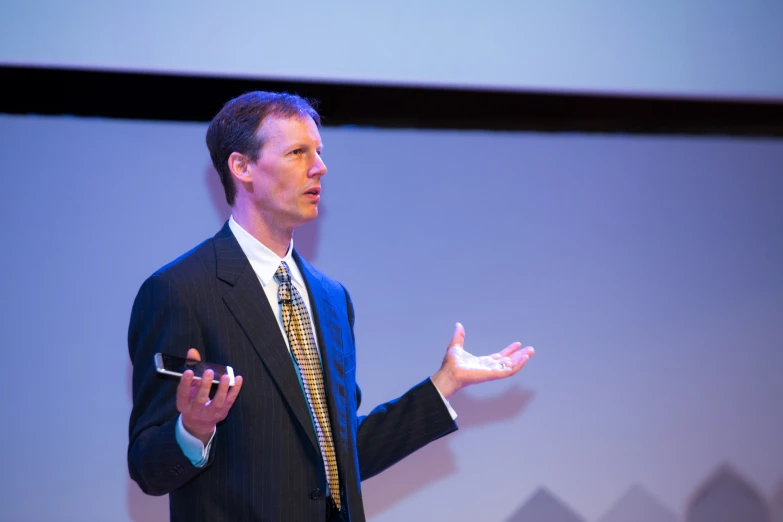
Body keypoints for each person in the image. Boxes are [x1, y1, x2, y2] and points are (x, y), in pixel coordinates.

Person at [127, 91, 535, 522]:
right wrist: (193, 429)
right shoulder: (179, 290)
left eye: (318, 152)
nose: (319, 167)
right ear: (242, 167)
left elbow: (341, 454)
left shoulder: (331, 297)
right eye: (298, 152)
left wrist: (444, 384)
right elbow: (147, 469)